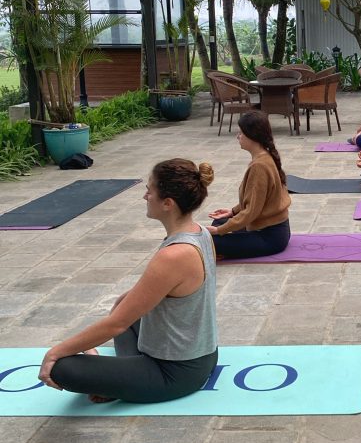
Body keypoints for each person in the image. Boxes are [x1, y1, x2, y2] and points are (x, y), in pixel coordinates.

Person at [38, 159, 218, 404]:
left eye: (150, 190)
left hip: (175, 372)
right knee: (124, 306)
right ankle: (120, 380)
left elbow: (116, 325)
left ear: (168, 203)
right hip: (202, 353)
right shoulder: (200, 232)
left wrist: (54, 353)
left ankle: (119, 383)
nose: (145, 196)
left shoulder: (174, 255)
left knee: (61, 368)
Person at [206, 110, 291, 260]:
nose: (238, 136)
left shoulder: (259, 166)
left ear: (253, 136)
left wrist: (220, 231)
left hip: (270, 237)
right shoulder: (265, 156)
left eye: (241, 133)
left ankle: (222, 250)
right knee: (218, 222)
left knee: (210, 240)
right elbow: (258, 200)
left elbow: (252, 211)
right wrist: (232, 212)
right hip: (276, 230)